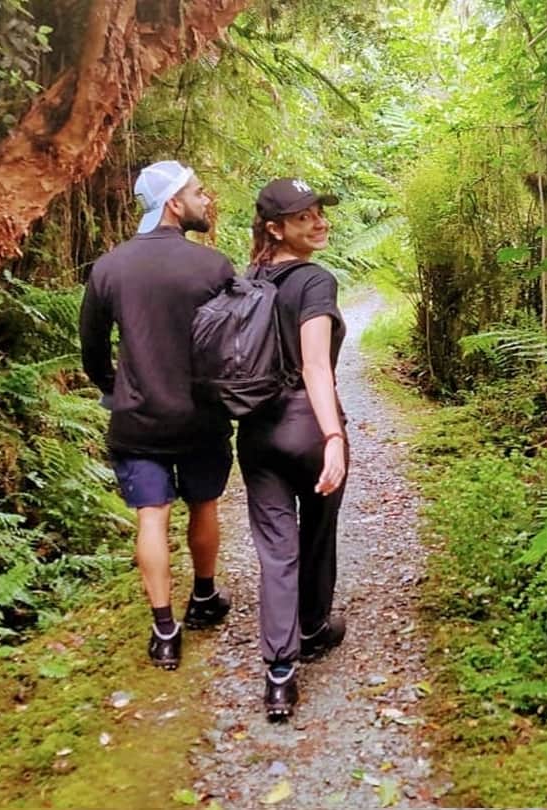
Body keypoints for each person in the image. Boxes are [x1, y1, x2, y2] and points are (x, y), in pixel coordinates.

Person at [79, 160, 235, 670]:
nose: (204, 199)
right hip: (201, 416)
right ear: (173, 203)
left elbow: (92, 347)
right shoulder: (213, 267)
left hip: (137, 418)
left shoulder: (109, 268)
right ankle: (205, 598)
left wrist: (114, 387)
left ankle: (164, 630)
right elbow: (236, 344)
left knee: (152, 516)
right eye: (195, 192)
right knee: (204, 506)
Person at [240, 177, 349, 719]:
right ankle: (312, 627)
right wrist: (332, 437)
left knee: (275, 549)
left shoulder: (247, 280)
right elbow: (315, 366)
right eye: (304, 217)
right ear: (276, 227)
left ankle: (279, 675)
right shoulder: (314, 282)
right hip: (308, 426)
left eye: (319, 213)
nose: (319, 222)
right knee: (318, 532)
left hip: (257, 432)